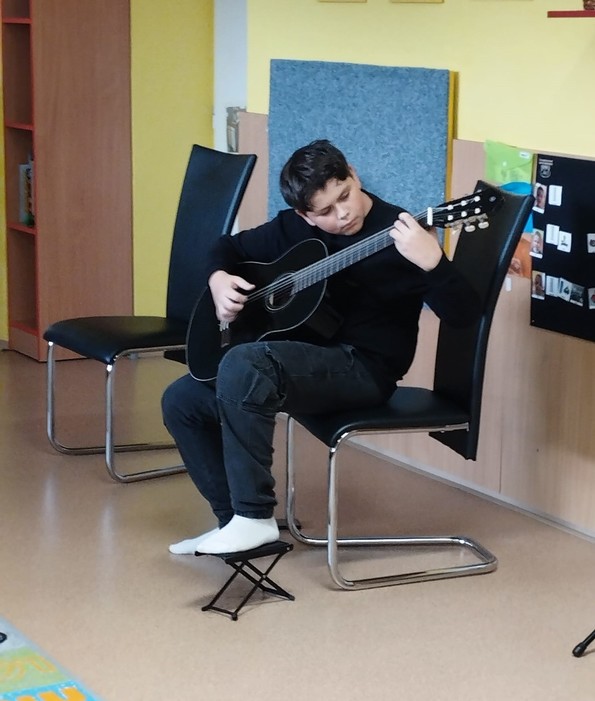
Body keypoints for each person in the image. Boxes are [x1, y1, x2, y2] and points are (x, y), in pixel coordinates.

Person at [163, 139, 481, 556]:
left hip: (364, 370)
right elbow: (228, 247)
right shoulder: (294, 227)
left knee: (244, 363)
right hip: (302, 364)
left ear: (354, 175)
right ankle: (234, 524)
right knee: (182, 399)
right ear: (304, 216)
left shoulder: (403, 235)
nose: (342, 213)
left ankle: (254, 516)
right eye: (325, 211)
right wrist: (218, 279)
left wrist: (433, 262)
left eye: (345, 195)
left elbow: (465, 314)